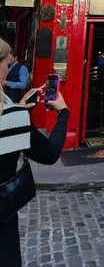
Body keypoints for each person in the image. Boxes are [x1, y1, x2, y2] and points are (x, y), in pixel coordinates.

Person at [0, 37, 69, 267]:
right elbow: (49, 154)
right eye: (6, 64)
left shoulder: (12, 116)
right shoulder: (11, 120)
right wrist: (64, 113)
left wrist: (20, 109)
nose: (8, 69)